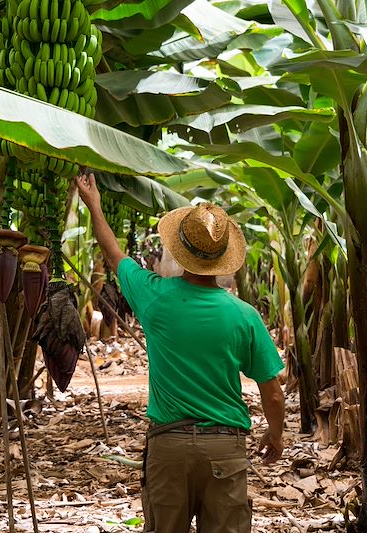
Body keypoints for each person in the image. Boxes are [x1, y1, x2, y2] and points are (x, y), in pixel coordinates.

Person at [75, 172, 286, 533]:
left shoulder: (154, 296)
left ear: (181, 252)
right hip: (225, 449)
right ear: (222, 258)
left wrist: (94, 205)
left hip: (168, 447)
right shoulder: (244, 315)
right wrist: (276, 434)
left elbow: (114, 255)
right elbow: (273, 392)